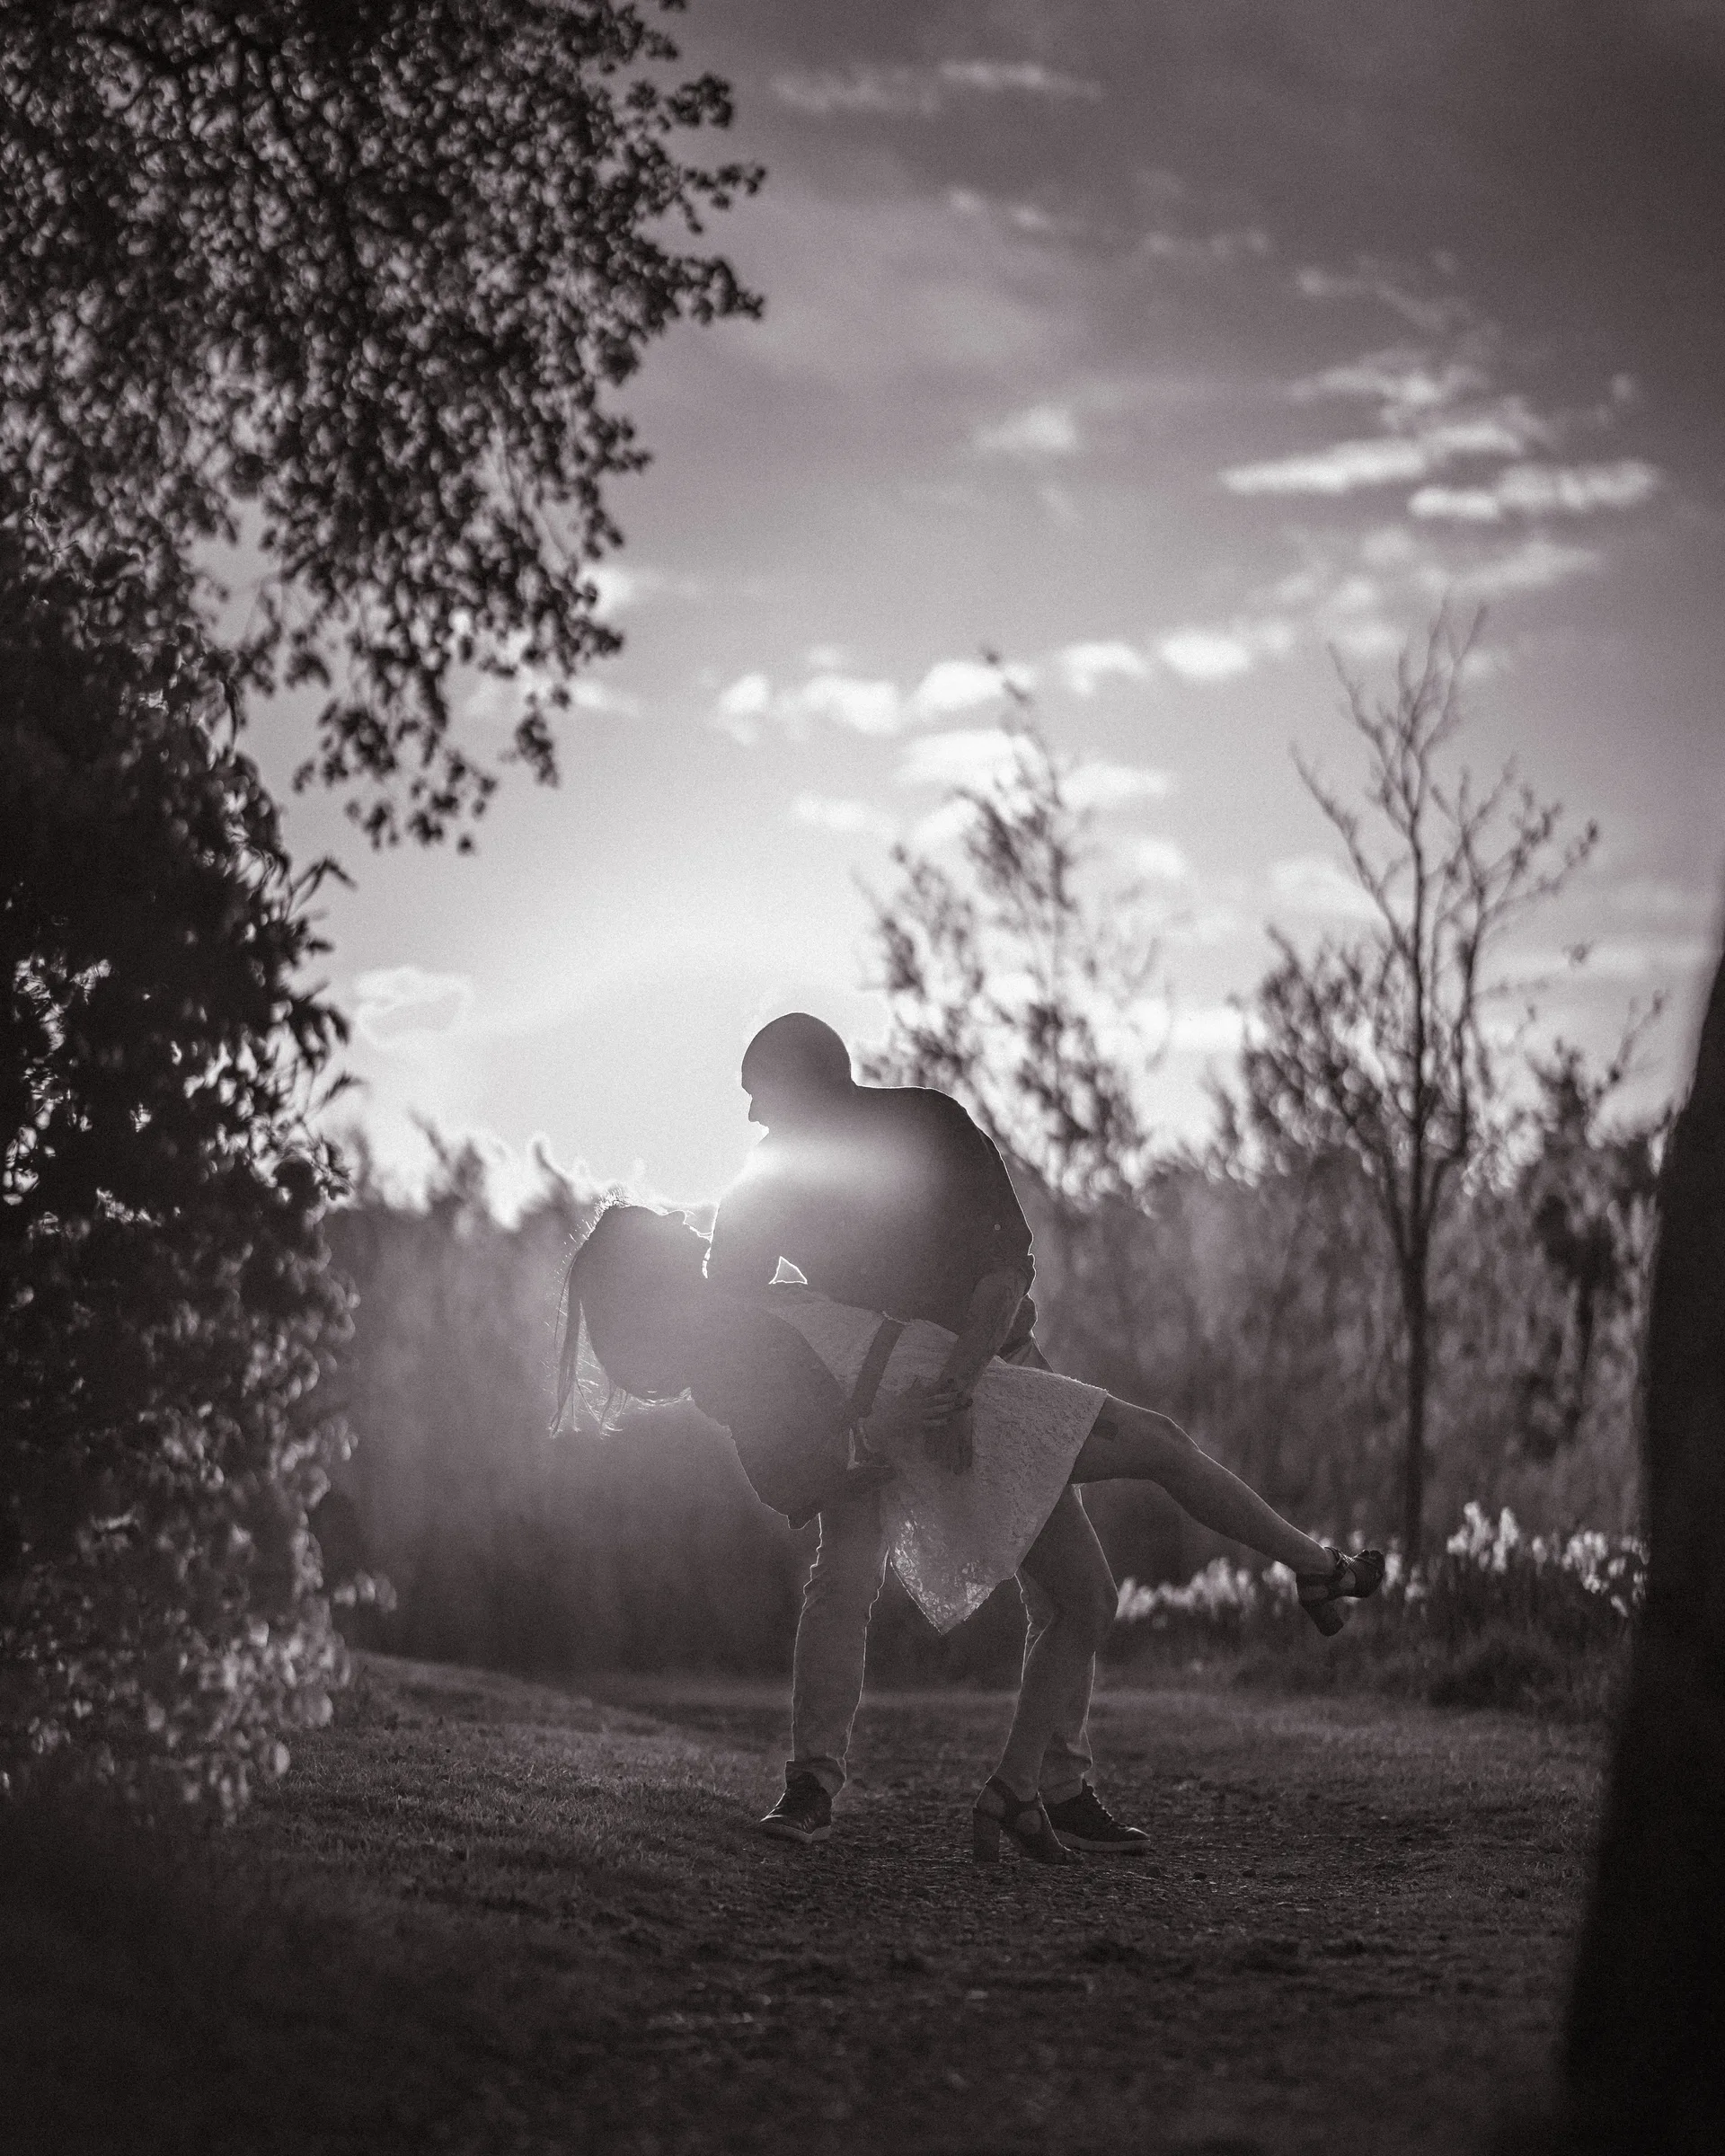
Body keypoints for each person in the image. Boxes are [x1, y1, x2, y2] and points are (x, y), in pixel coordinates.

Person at [557, 1202, 1385, 1867]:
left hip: (962, 1383)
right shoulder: (723, 1347)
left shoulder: (741, 1297)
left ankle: (1017, 1790)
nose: (684, 1224)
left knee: (1088, 1598)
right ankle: (1314, 1567)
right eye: (665, 1230)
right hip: (963, 1408)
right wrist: (878, 1430)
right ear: (654, 1271)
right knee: (1158, 1449)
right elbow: (783, 1473)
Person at [703, 1014, 1139, 1856]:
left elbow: (1007, 1268)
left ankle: (1061, 1783)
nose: (754, 1118)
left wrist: (961, 1385)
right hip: (876, 1390)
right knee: (846, 1569)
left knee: (1060, 1581)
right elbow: (731, 1294)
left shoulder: (932, 1126)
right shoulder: (773, 1176)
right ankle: (810, 1783)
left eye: (762, 1096)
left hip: (997, 1360)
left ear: (814, 1084)